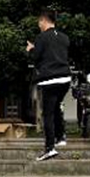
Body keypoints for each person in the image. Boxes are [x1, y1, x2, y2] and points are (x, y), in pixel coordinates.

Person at [26, 9, 70, 162]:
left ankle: (50, 148)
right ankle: (61, 137)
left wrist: (31, 49)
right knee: (57, 106)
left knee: (48, 113)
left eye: (39, 22)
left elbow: (37, 59)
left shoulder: (41, 38)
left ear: (44, 20)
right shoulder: (64, 38)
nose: (39, 25)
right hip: (65, 79)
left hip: (50, 79)